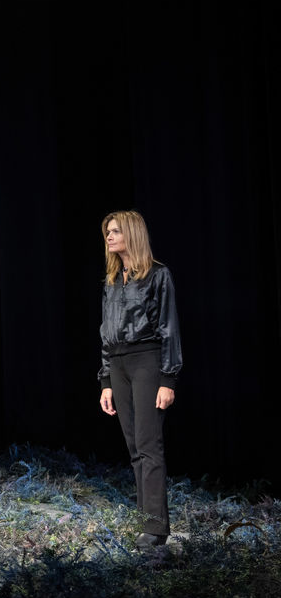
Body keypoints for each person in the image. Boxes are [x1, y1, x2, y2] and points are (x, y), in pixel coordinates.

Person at [97, 210, 182, 549]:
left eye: (116, 231)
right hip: (118, 364)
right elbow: (105, 331)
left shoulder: (158, 275)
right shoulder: (112, 280)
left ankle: (156, 528)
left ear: (132, 233)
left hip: (147, 360)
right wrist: (105, 380)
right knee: (134, 448)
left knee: (149, 445)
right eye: (107, 231)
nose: (109, 236)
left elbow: (169, 328)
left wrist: (168, 379)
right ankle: (146, 521)